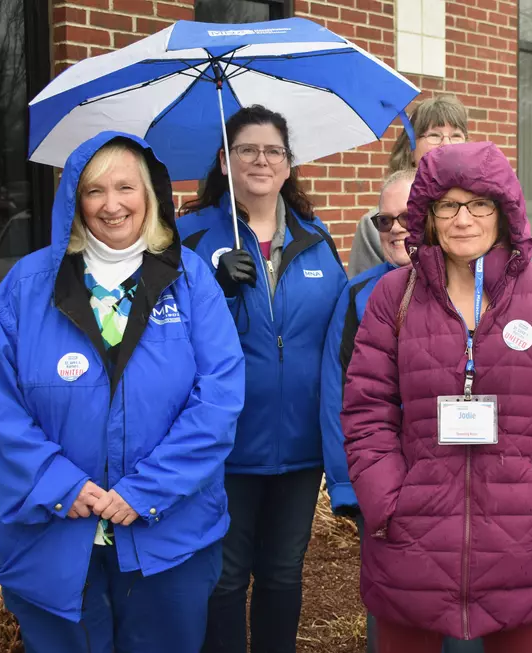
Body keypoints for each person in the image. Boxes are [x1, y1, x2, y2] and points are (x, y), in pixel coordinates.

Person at [0, 132, 245, 653]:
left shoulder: (192, 282)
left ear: (149, 194)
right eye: (95, 191)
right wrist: (60, 484)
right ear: (75, 201)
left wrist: (146, 491)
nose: (112, 204)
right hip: (53, 537)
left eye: (126, 187)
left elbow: (218, 399)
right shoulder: (24, 288)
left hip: (168, 538)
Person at [341, 141, 532, 652]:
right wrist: (386, 500)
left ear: (504, 211)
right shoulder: (393, 297)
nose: (464, 218)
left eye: (479, 204)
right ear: (429, 216)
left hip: (521, 540)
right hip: (410, 538)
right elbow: (365, 409)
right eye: (448, 205)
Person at [178, 105, 348, 653]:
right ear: (225, 163)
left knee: (281, 573)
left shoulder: (316, 239)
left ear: (289, 164)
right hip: (223, 443)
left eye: (273, 150)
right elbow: (171, 338)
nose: (261, 159)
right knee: (224, 578)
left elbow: (336, 341)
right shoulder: (190, 240)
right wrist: (215, 286)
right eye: (246, 149)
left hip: (299, 444)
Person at [321, 169, 484, 653]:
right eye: (383, 219)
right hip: (391, 496)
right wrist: (357, 490)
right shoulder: (357, 297)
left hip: (475, 497)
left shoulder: (489, 290)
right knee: (396, 626)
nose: (395, 228)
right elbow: (338, 397)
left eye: (405, 215)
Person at [348, 95, 469, 277]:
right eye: (434, 135)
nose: (446, 144)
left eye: (456, 135)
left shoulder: (481, 217)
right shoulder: (378, 226)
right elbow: (362, 297)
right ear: (410, 150)